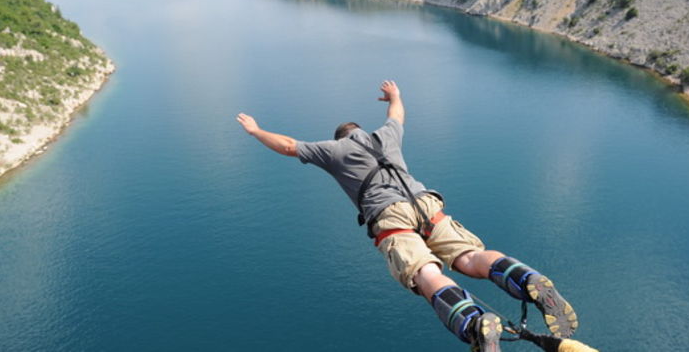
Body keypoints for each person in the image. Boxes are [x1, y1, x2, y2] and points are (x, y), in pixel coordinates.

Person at [236, 81, 578, 352]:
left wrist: (255, 131)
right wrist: (394, 95)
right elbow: (397, 115)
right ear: (359, 129)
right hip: (425, 203)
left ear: (340, 135)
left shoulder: (335, 149)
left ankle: (475, 323)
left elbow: (287, 145)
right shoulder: (385, 136)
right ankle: (529, 280)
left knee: (424, 272)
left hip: (390, 215)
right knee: (470, 256)